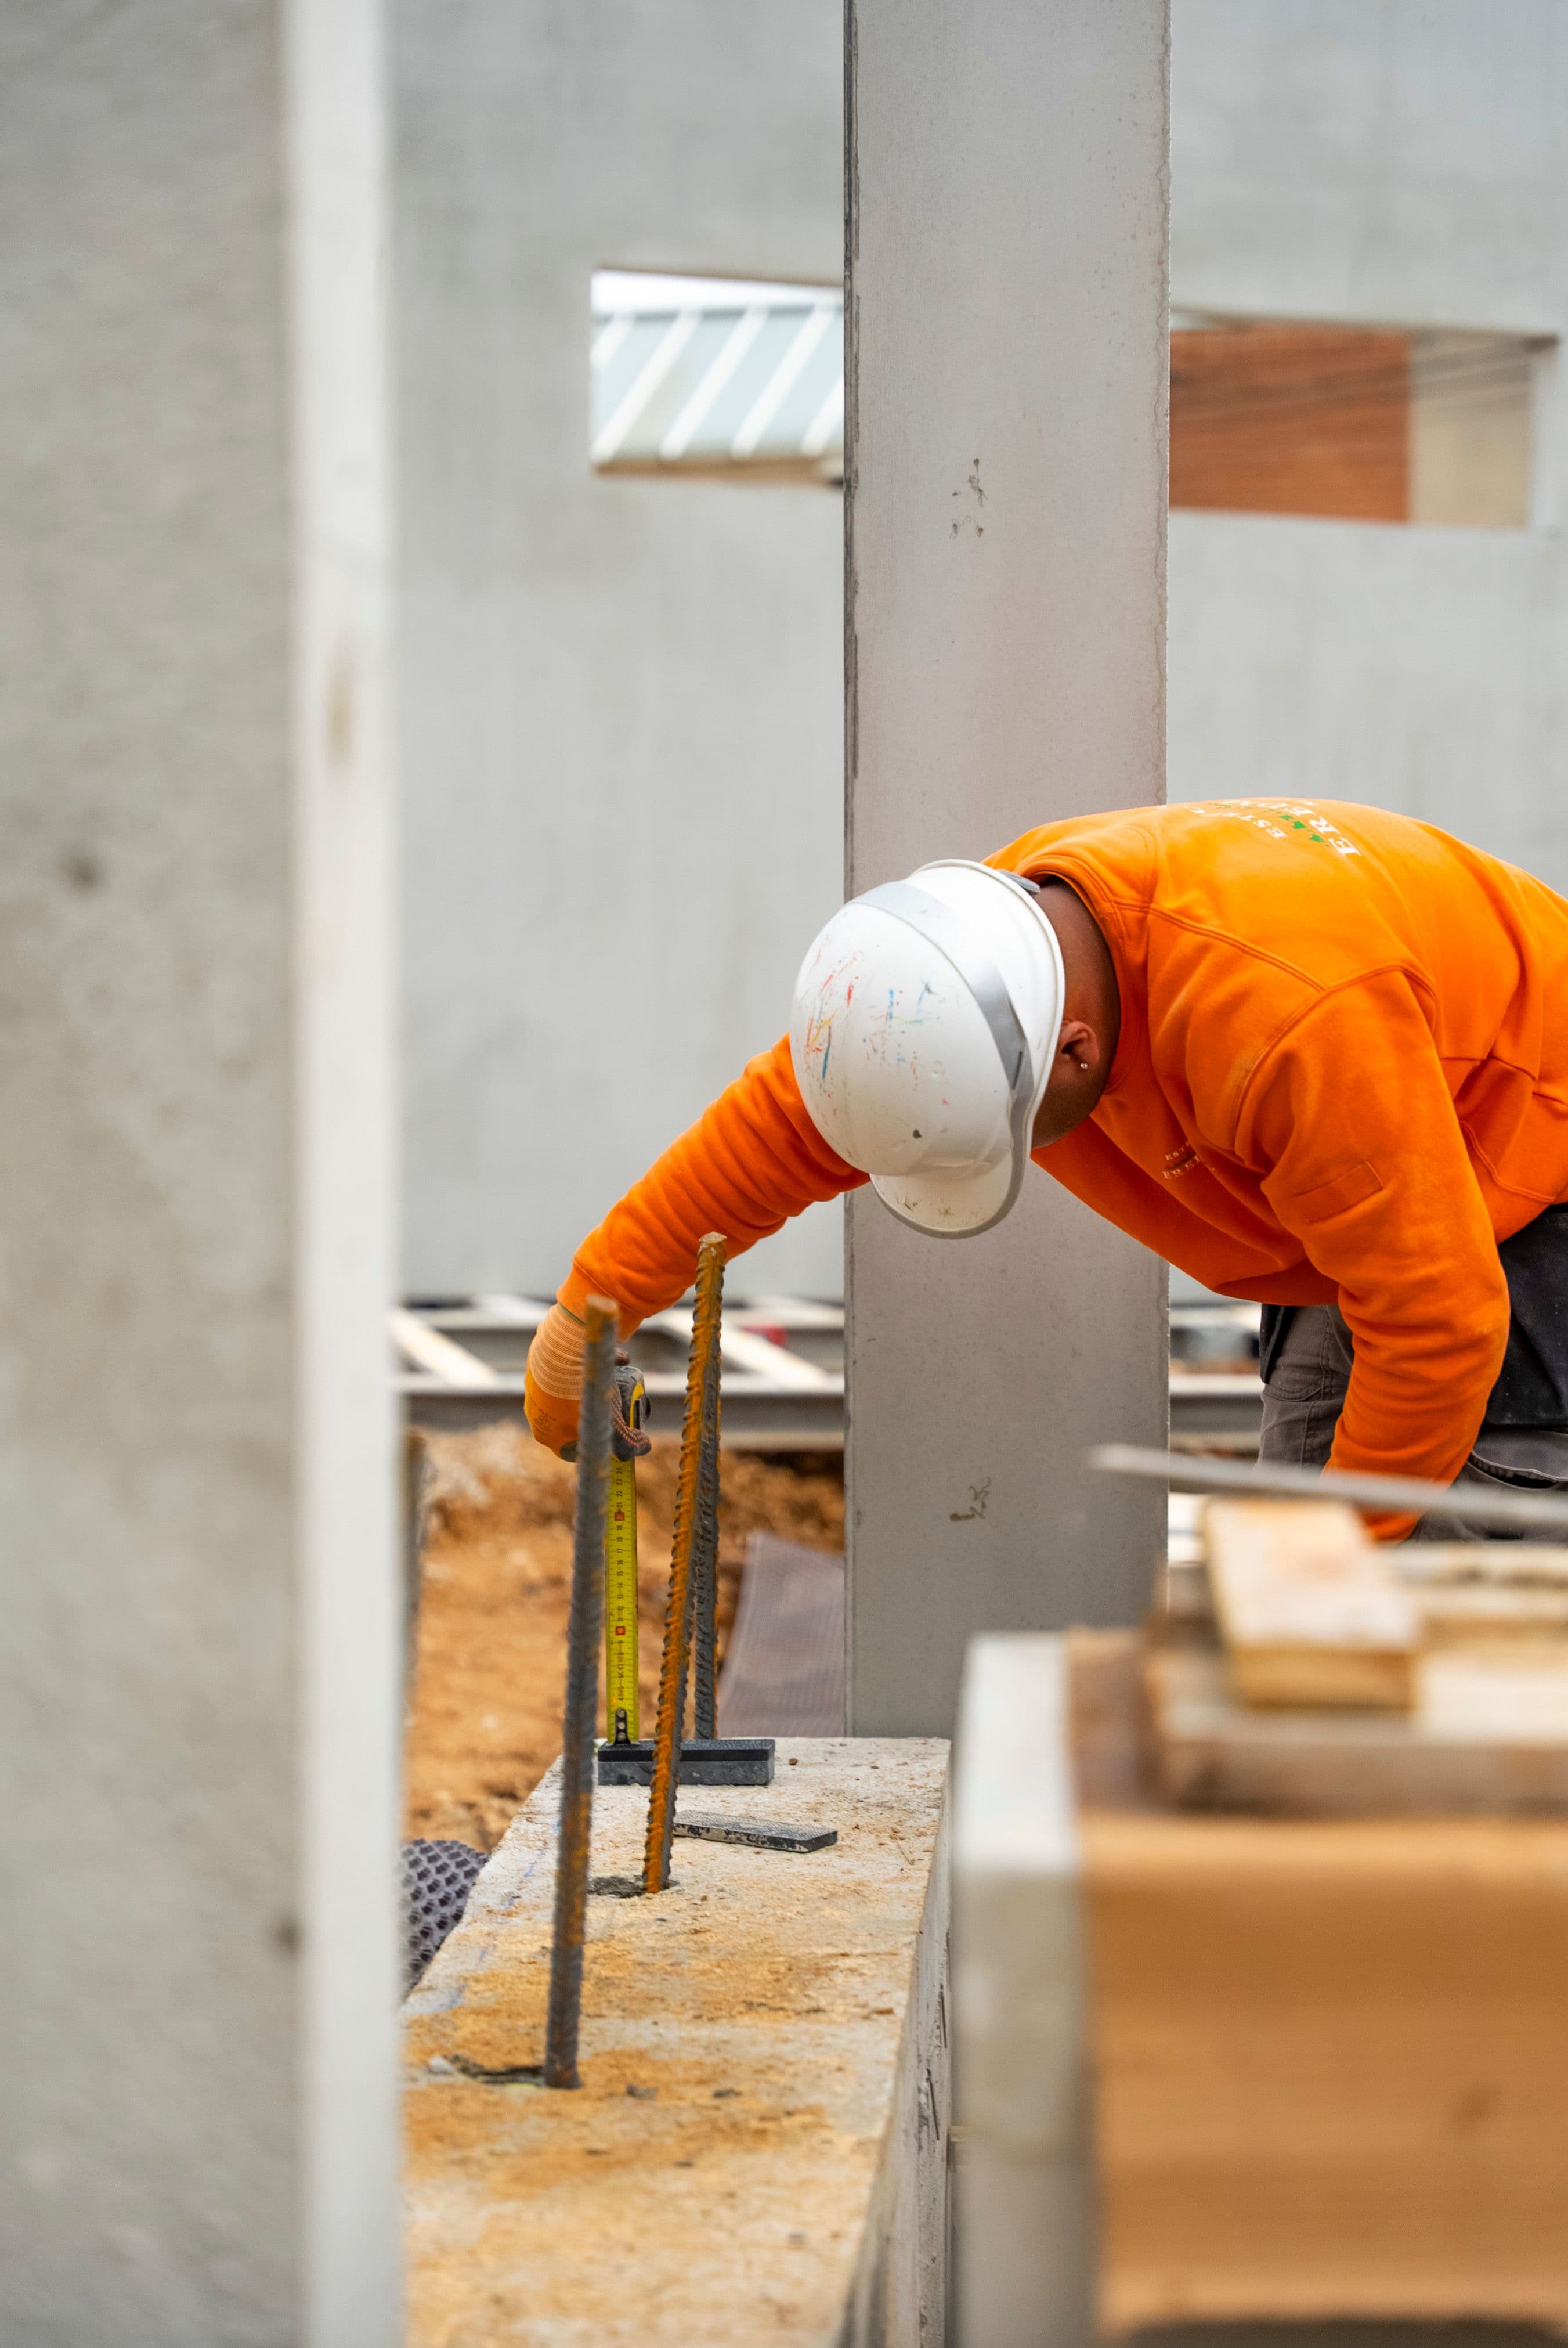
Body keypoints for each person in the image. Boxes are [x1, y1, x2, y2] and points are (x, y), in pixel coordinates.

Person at [524, 798, 1568, 1539]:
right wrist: (590, 1314)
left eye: (1015, 1129)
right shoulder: (983, 955)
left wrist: (1338, 1564)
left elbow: (1438, 1320)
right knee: (1311, 1566)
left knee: (1441, 1612)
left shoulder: (1280, 1024)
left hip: (1536, 1188)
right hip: (1404, 1174)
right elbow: (782, 1128)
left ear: (1074, 1049)